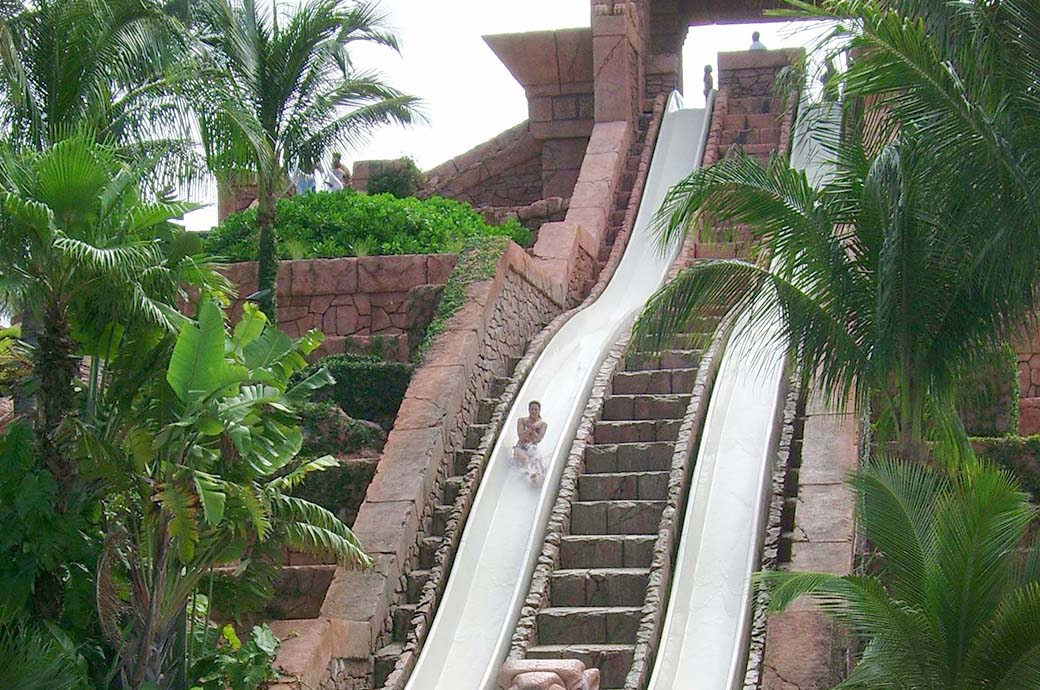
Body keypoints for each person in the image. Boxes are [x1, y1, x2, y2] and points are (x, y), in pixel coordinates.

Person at [513, 401, 548, 483]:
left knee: (538, 462)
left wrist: (533, 429)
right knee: (525, 459)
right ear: (529, 410)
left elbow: (538, 439)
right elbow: (521, 436)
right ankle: (529, 475)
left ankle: (539, 478)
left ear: (539, 411)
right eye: (532, 409)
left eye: (536, 409)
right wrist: (530, 429)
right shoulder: (522, 420)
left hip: (532, 447)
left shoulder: (543, 424)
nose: (534, 411)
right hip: (520, 446)